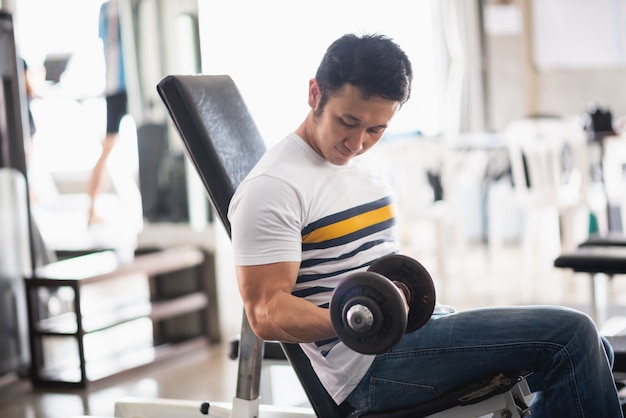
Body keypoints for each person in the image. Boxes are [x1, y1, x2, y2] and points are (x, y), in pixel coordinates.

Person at [228, 33, 623, 417]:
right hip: (369, 370)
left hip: (411, 333)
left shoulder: (361, 163)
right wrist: (354, 320)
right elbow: (265, 312)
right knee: (573, 337)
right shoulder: (273, 187)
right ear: (315, 93)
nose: (357, 142)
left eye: (375, 129)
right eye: (347, 121)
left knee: (594, 353)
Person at [87, 0, 127, 224]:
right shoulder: (112, 8)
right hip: (119, 86)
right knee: (108, 146)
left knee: (109, 146)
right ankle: (91, 209)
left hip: (123, 85)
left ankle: (92, 209)